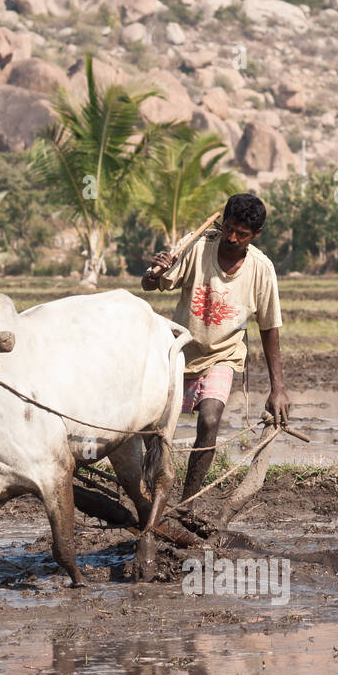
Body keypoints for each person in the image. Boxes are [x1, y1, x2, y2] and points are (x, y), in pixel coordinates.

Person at [142, 193, 290, 502]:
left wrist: (278, 388)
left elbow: (269, 327)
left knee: (209, 419)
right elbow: (151, 284)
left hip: (223, 355)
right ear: (223, 222)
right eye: (230, 228)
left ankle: (188, 502)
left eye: (243, 234)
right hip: (179, 351)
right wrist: (155, 269)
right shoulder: (197, 247)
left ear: (256, 235)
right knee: (151, 427)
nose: (233, 238)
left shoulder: (261, 269)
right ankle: (152, 492)